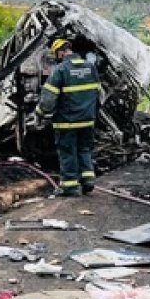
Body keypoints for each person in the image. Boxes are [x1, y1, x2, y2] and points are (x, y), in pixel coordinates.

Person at [36, 39, 100, 196]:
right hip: (87, 120)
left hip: (67, 122)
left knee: (68, 152)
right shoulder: (90, 67)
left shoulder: (60, 70)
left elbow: (48, 99)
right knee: (84, 149)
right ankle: (88, 180)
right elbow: (98, 94)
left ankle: (70, 186)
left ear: (60, 52)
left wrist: (40, 113)